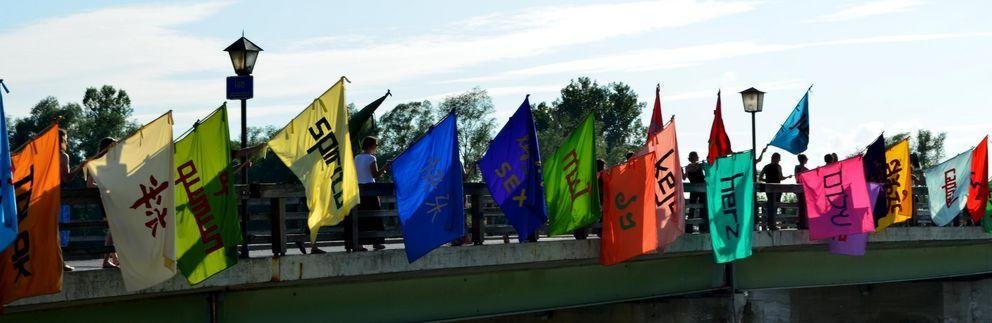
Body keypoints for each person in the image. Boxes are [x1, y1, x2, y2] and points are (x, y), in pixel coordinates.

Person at [345, 137, 389, 252]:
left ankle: (358, 243)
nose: (377, 147)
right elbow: (375, 175)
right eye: (376, 145)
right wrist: (385, 168)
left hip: (359, 190)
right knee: (375, 216)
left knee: (360, 218)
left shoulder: (357, 158)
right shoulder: (371, 158)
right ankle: (377, 242)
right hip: (370, 190)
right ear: (372, 146)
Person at [87, 137, 119, 268]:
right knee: (113, 228)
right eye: (113, 146)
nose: (115, 149)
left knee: (113, 229)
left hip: (112, 199)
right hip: (104, 199)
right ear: (107, 147)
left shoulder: (112, 162)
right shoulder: (97, 162)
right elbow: (90, 184)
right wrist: (105, 187)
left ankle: (113, 258)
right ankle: (107, 260)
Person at [573, 159, 606, 240]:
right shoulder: (602, 175)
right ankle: (598, 231)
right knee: (602, 216)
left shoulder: (589, 175)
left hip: (589, 201)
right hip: (599, 201)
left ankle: (583, 232)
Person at [57, 129, 75, 272]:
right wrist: (80, 167)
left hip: (43, 197)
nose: (67, 142)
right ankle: (61, 263)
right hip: (59, 196)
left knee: (50, 231)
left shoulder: (44, 155)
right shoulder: (63, 156)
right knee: (62, 230)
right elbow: (66, 178)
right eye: (65, 139)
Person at [759, 153, 786, 230]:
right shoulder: (778, 166)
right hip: (777, 189)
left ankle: (769, 224)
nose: (779, 161)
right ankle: (773, 225)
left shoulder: (766, 166)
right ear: (776, 158)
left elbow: (760, 177)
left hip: (768, 189)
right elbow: (780, 177)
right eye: (778, 159)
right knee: (775, 206)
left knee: (770, 205)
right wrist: (787, 177)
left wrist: (767, 180)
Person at [683, 152, 707, 233]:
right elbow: (684, 177)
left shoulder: (697, 166)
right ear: (694, 157)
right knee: (697, 208)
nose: (698, 157)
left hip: (695, 189)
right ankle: (701, 228)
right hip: (698, 189)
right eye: (697, 156)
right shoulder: (693, 166)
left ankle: (691, 229)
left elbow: (684, 177)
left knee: (695, 208)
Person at [794, 154, 809, 229]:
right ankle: (800, 223)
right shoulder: (798, 167)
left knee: (804, 207)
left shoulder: (806, 169)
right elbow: (797, 177)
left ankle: (804, 223)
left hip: (805, 190)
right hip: (800, 189)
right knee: (801, 206)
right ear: (804, 160)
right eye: (806, 159)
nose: (807, 160)